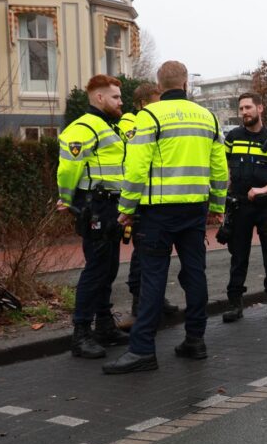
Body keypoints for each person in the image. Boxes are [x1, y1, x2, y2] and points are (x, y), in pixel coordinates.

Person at [103, 61, 229, 374]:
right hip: (195, 208)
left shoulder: (149, 116)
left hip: (158, 211)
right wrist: (218, 204)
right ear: (186, 84)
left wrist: (126, 208)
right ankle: (195, 340)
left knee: (153, 277)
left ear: (159, 87)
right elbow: (219, 167)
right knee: (195, 273)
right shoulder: (207, 117)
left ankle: (143, 350)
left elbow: (136, 166)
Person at [56, 74, 131, 359]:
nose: (120, 102)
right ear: (99, 98)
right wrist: (66, 199)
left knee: (108, 268)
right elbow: (67, 169)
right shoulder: (84, 127)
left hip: (111, 206)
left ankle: (103, 326)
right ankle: (81, 334)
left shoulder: (108, 126)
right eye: (115, 97)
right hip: (95, 207)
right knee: (96, 269)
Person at [220, 93, 267, 322]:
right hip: (239, 207)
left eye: (248, 107)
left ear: (260, 108)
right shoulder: (233, 137)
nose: (244, 112)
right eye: (241, 108)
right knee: (238, 257)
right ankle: (235, 305)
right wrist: (221, 197)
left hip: (266, 207)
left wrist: (264, 190)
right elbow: (223, 169)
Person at [117, 82, 179, 330]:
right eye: (157, 101)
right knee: (142, 255)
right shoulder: (131, 125)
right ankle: (138, 306)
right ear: (143, 103)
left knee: (150, 255)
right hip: (137, 199)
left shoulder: (149, 121)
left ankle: (154, 301)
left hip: (151, 198)